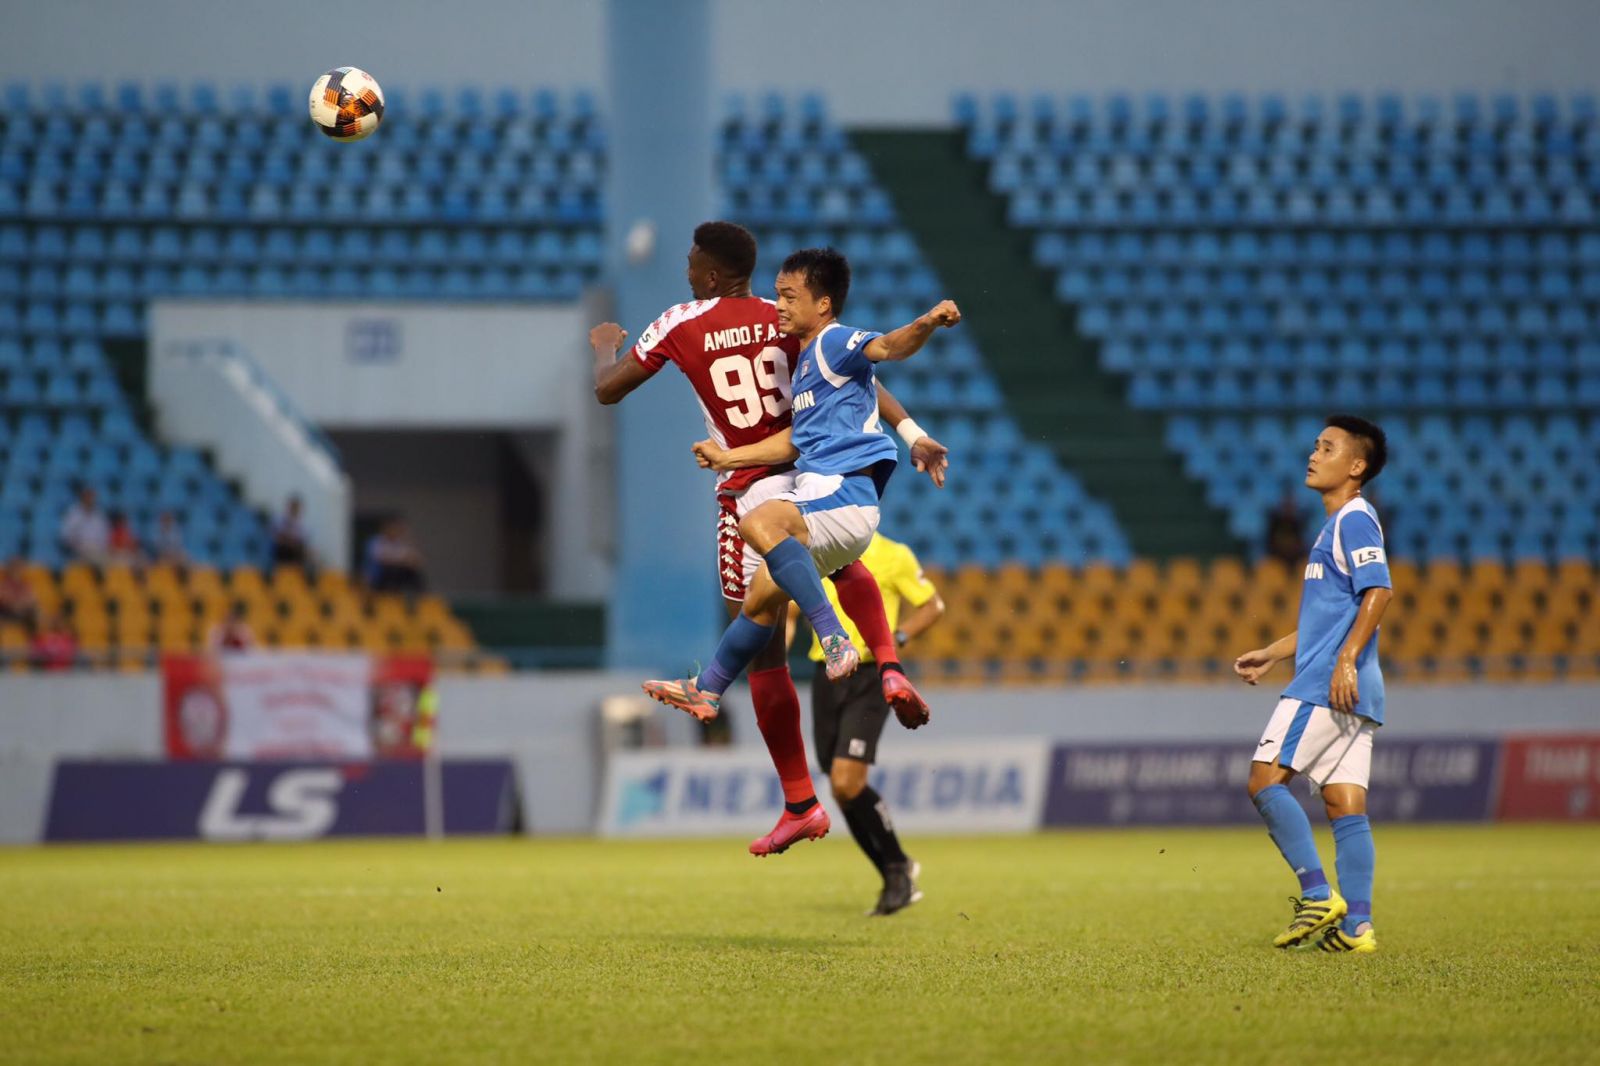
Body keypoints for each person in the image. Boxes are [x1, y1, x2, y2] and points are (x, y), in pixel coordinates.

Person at [588, 222, 950, 856]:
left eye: (690, 261)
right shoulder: (784, 322)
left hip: (749, 491)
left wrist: (602, 346)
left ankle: (798, 797)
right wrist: (913, 431)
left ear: (706, 275)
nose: (686, 270)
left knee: (766, 642)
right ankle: (884, 666)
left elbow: (607, 389)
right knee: (843, 566)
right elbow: (862, 377)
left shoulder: (681, 320)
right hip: (811, 471)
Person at [1233, 414, 1392, 955]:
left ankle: (1318, 894)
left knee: (1263, 780)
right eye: (1314, 446)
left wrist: (1344, 659)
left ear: (1356, 466)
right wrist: (1274, 654)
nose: (1313, 454)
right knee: (1345, 805)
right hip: (1356, 689)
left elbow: (1380, 592)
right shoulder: (1335, 526)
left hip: (1329, 684)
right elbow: (1332, 617)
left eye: (1326, 448)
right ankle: (1358, 928)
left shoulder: (1354, 518)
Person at [785, 532, 945, 916]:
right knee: (841, 789)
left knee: (845, 780)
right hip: (826, 675)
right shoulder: (816, 550)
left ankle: (896, 868)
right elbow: (790, 612)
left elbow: (933, 605)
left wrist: (897, 638)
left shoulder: (894, 553)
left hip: (871, 676)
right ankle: (897, 869)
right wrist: (778, 655)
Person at [365, 518, 426, 593]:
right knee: (392, 570)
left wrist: (408, 540)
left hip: (397, 571)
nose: (394, 532)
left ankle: (417, 595)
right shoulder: (376, 541)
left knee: (412, 572)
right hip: (379, 574)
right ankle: (387, 592)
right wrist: (401, 560)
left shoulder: (399, 542)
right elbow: (381, 559)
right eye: (392, 529)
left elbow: (415, 560)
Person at [59, 485, 110, 564]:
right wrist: (76, 545)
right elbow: (65, 535)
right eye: (87, 496)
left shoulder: (99, 514)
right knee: (106, 561)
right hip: (79, 549)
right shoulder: (73, 513)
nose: (90, 499)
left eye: (91, 497)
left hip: (97, 549)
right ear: (82, 498)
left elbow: (104, 535)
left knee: (120, 558)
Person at [1264, 485, 1307, 569]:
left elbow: (1301, 546)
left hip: (1295, 561)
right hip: (1276, 560)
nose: (1288, 508)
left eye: (1290, 504)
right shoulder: (1274, 522)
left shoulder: (1298, 523)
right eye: (1286, 505)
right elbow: (1270, 544)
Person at [271, 495, 310, 568]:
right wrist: (289, 540)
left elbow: (301, 540)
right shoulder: (280, 520)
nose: (294, 510)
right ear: (289, 507)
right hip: (282, 551)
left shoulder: (302, 525)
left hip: (295, 552)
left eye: (296, 508)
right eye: (293, 507)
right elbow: (277, 536)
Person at [0, 557, 38, 628]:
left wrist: (22, 604)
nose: (17, 571)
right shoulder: (4, 584)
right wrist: (15, 604)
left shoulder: (25, 584)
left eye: (19, 568)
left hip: (23, 613)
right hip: (7, 614)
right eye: (15, 568)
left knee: (35, 613)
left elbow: (31, 600)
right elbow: (4, 599)